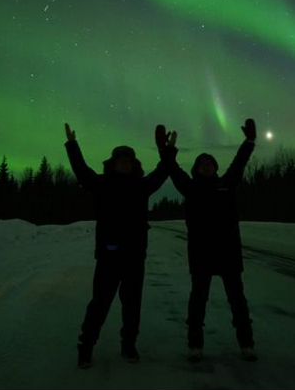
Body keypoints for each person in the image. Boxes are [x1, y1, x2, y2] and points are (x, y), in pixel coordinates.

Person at [65, 123, 173, 369]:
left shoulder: (142, 186)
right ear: (112, 163)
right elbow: (81, 171)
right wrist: (72, 144)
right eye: (120, 159)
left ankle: (128, 345)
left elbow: (163, 170)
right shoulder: (102, 184)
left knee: (132, 306)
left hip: (135, 258)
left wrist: (166, 151)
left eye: (128, 160)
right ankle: (86, 348)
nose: (124, 163)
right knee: (100, 304)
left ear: (133, 164)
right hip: (108, 256)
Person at [164, 118, 257, 362]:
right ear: (196, 169)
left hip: (228, 253)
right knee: (198, 302)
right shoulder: (190, 187)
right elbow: (172, 168)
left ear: (215, 168)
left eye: (210, 163)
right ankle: (195, 345)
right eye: (202, 164)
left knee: (238, 302)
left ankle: (247, 344)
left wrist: (249, 141)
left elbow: (239, 163)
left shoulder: (226, 184)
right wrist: (168, 150)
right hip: (202, 254)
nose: (207, 166)